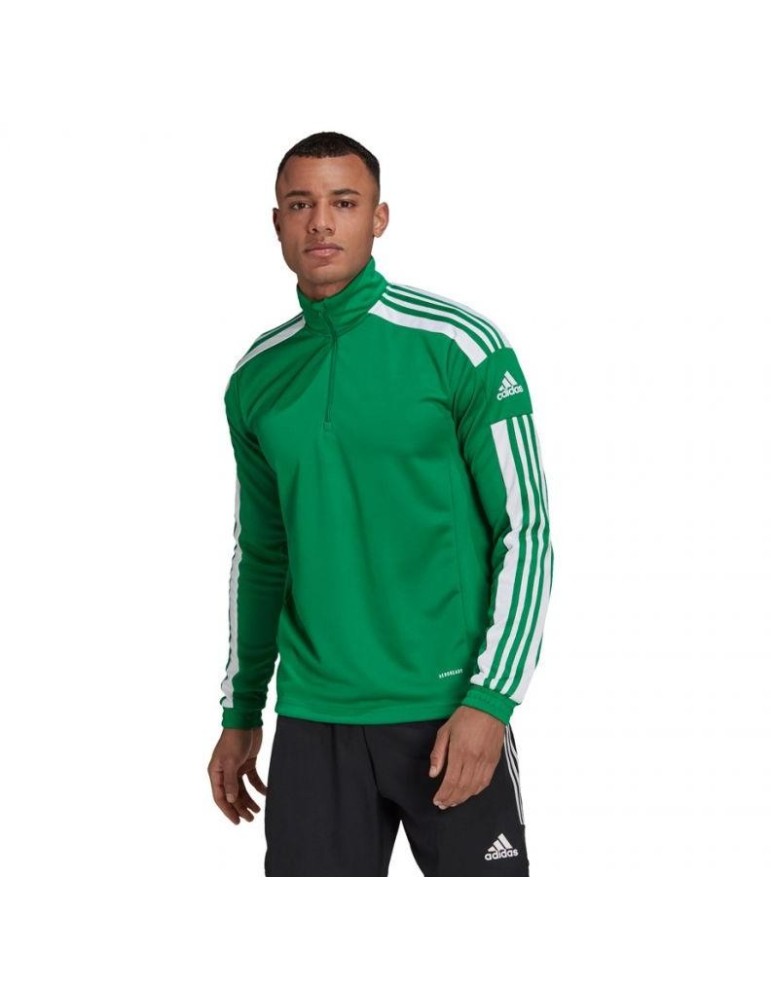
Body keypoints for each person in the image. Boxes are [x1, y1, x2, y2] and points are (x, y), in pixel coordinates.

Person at [206, 131, 554, 877]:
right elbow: (262, 554)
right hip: (313, 719)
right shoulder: (256, 377)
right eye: (300, 204)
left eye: (343, 202)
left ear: (379, 217)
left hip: (447, 712)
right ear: (277, 222)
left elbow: (524, 530)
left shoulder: (458, 344)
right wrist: (241, 711)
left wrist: (491, 701)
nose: (320, 223)